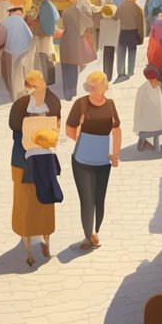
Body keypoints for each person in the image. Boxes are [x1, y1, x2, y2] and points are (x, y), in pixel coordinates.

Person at [8, 69, 62, 264]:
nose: (35, 89)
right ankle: (27, 243)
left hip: (45, 158)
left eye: (38, 84)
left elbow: (57, 126)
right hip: (22, 159)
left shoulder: (53, 102)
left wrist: (46, 138)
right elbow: (14, 129)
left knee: (45, 200)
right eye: (32, 85)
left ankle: (46, 238)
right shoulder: (21, 105)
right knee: (25, 200)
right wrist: (31, 135)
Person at [65, 72, 121, 250]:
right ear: (89, 87)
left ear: (105, 86)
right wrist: (85, 143)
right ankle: (88, 235)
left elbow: (117, 130)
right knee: (87, 200)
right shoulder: (81, 104)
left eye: (100, 86)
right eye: (93, 86)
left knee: (99, 199)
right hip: (82, 161)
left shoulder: (110, 105)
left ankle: (95, 230)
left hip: (103, 162)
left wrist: (115, 154)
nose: (97, 90)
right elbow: (69, 129)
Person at [0, 5, 35, 101]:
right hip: (25, 51)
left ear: (9, 12)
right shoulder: (21, 21)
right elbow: (30, 36)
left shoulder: (5, 22)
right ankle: (23, 94)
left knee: (11, 76)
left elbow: (0, 41)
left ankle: (14, 97)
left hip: (12, 52)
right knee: (21, 75)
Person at [58, 0, 94, 100]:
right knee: (73, 67)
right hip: (76, 42)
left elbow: (62, 28)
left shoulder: (65, 12)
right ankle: (72, 92)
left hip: (65, 41)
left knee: (65, 67)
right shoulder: (80, 12)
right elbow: (89, 24)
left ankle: (66, 93)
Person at [134, 67, 162, 153]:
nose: (154, 81)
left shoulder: (161, 87)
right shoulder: (142, 89)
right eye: (152, 79)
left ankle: (161, 144)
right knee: (144, 136)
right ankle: (142, 141)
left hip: (158, 121)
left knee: (158, 136)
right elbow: (139, 108)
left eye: (155, 79)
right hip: (146, 121)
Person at [116, 0, 146, 82]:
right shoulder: (137, 8)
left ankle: (121, 72)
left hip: (123, 32)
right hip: (133, 33)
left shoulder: (121, 6)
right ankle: (130, 72)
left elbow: (115, 17)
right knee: (132, 52)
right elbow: (140, 24)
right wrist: (141, 37)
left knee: (121, 52)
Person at [34, 0, 61, 79]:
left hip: (45, 36)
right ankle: (52, 74)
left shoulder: (45, 6)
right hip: (49, 35)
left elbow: (43, 22)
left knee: (46, 55)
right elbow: (56, 18)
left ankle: (48, 77)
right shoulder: (50, 5)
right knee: (51, 53)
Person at [99, 3, 121, 82]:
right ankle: (109, 76)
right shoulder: (117, 21)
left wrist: (100, 45)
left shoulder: (102, 21)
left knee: (106, 60)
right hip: (113, 42)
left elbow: (102, 34)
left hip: (105, 42)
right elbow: (118, 33)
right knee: (111, 59)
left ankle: (106, 76)